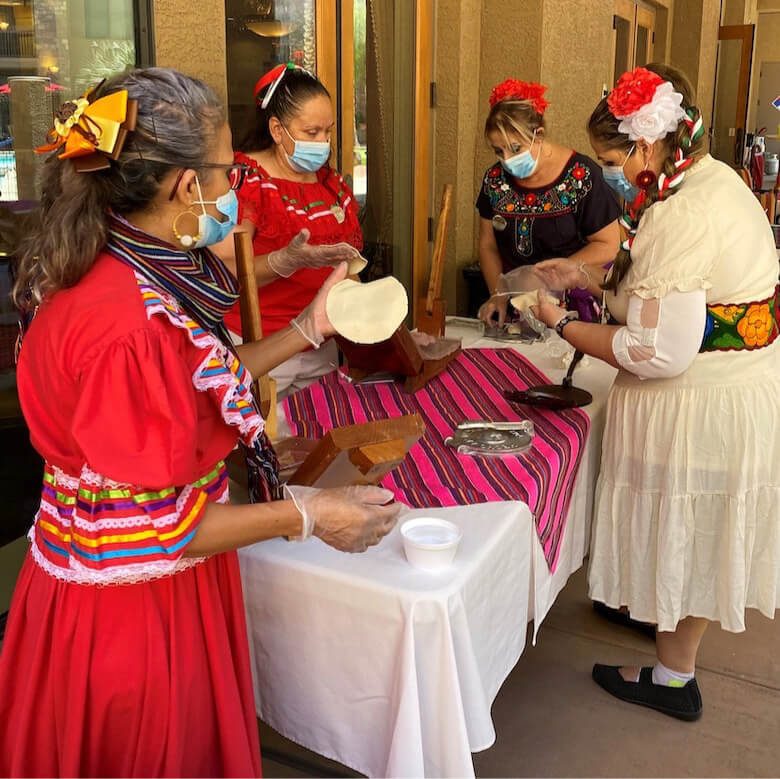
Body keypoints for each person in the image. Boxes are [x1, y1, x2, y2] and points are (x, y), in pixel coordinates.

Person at [0, 67, 402, 777]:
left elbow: (189, 385)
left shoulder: (112, 263)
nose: (232, 190)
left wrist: (308, 327)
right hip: (134, 615)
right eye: (225, 173)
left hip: (86, 585)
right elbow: (164, 524)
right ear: (187, 186)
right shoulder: (130, 322)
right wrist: (312, 515)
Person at [532, 63, 780, 721]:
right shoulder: (708, 180)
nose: (609, 174)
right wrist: (585, 276)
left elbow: (655, 350)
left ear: (646, 146)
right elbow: (663, 292)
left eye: (612, 160)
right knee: (690, 530)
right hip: (733, 388)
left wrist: (562, 321)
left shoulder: (683, 210)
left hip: (702, 399)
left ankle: (674, 676)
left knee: (688, 528)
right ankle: (669, 630)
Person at [215, 63, 364, 396]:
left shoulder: (331, 184)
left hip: (322, 343)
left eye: (328, 131)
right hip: (261, 348)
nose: (323, 142)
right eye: (312, 133)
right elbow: (226, 271)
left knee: (315, 436)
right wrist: (285, 261)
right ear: (277, 129)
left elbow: (348, 263)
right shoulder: (248, 180)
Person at [476, 78, 621, 327]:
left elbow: (609, 244)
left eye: (515, 148)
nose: (507, 159)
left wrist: (556, 275)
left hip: (575, 306)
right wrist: (498, 294)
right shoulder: (495, 180)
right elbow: (488, 245)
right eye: (498, 151)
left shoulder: (582, 176)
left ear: (538, 136)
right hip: (519, 304)